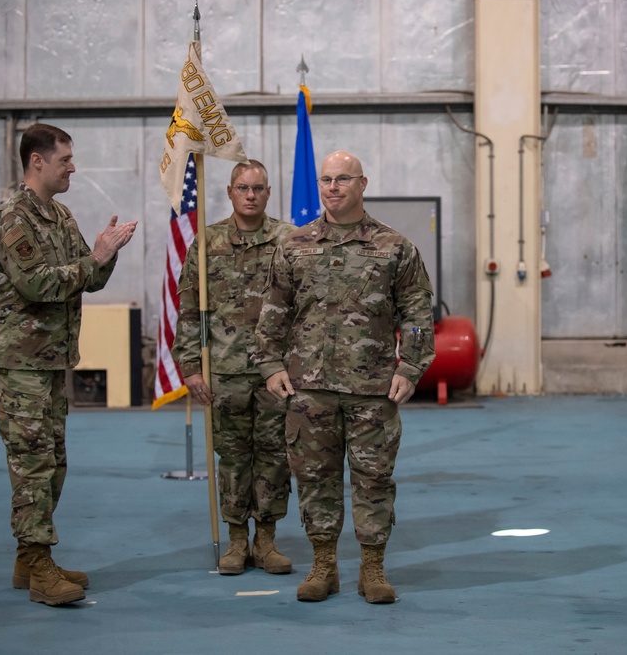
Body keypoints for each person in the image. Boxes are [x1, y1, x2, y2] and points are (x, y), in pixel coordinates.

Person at [254, 150, 435, 604]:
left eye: (343, 179)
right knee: (315, 478)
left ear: (362, 183)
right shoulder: (294, 245)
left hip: (372, 390)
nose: (333, 187)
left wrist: (411, 366)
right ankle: (324, 566)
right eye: (326, 180)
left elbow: (417, 313)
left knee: (373, 479)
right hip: (308, 387)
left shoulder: (395, 247)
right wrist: (270, 365)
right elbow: (273, 311)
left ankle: (372, 569)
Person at [0, 123, 137, 606]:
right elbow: (37, 284)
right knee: (32, 462)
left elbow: (85, 280)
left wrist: (104, 255)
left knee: (53, 463)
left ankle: (29, 562)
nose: (73, 167)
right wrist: (95, 259)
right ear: (37, 162)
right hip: (22, 361)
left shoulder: (59, 215)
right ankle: (39, 563)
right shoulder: (12, 219)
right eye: (65, 159)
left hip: (50, 361)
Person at [172, 159, 295, 576]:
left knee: (274, 456)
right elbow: (189, 309)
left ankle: (267, 539)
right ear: (229, 192)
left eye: (258, 188)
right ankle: (237, 539)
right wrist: (190, 366)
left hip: (275, 373)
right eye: (242, 188)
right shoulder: (208, 244)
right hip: (224, 371)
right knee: (232, 459)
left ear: (269, 192)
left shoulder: (289, 241)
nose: (250, 195)